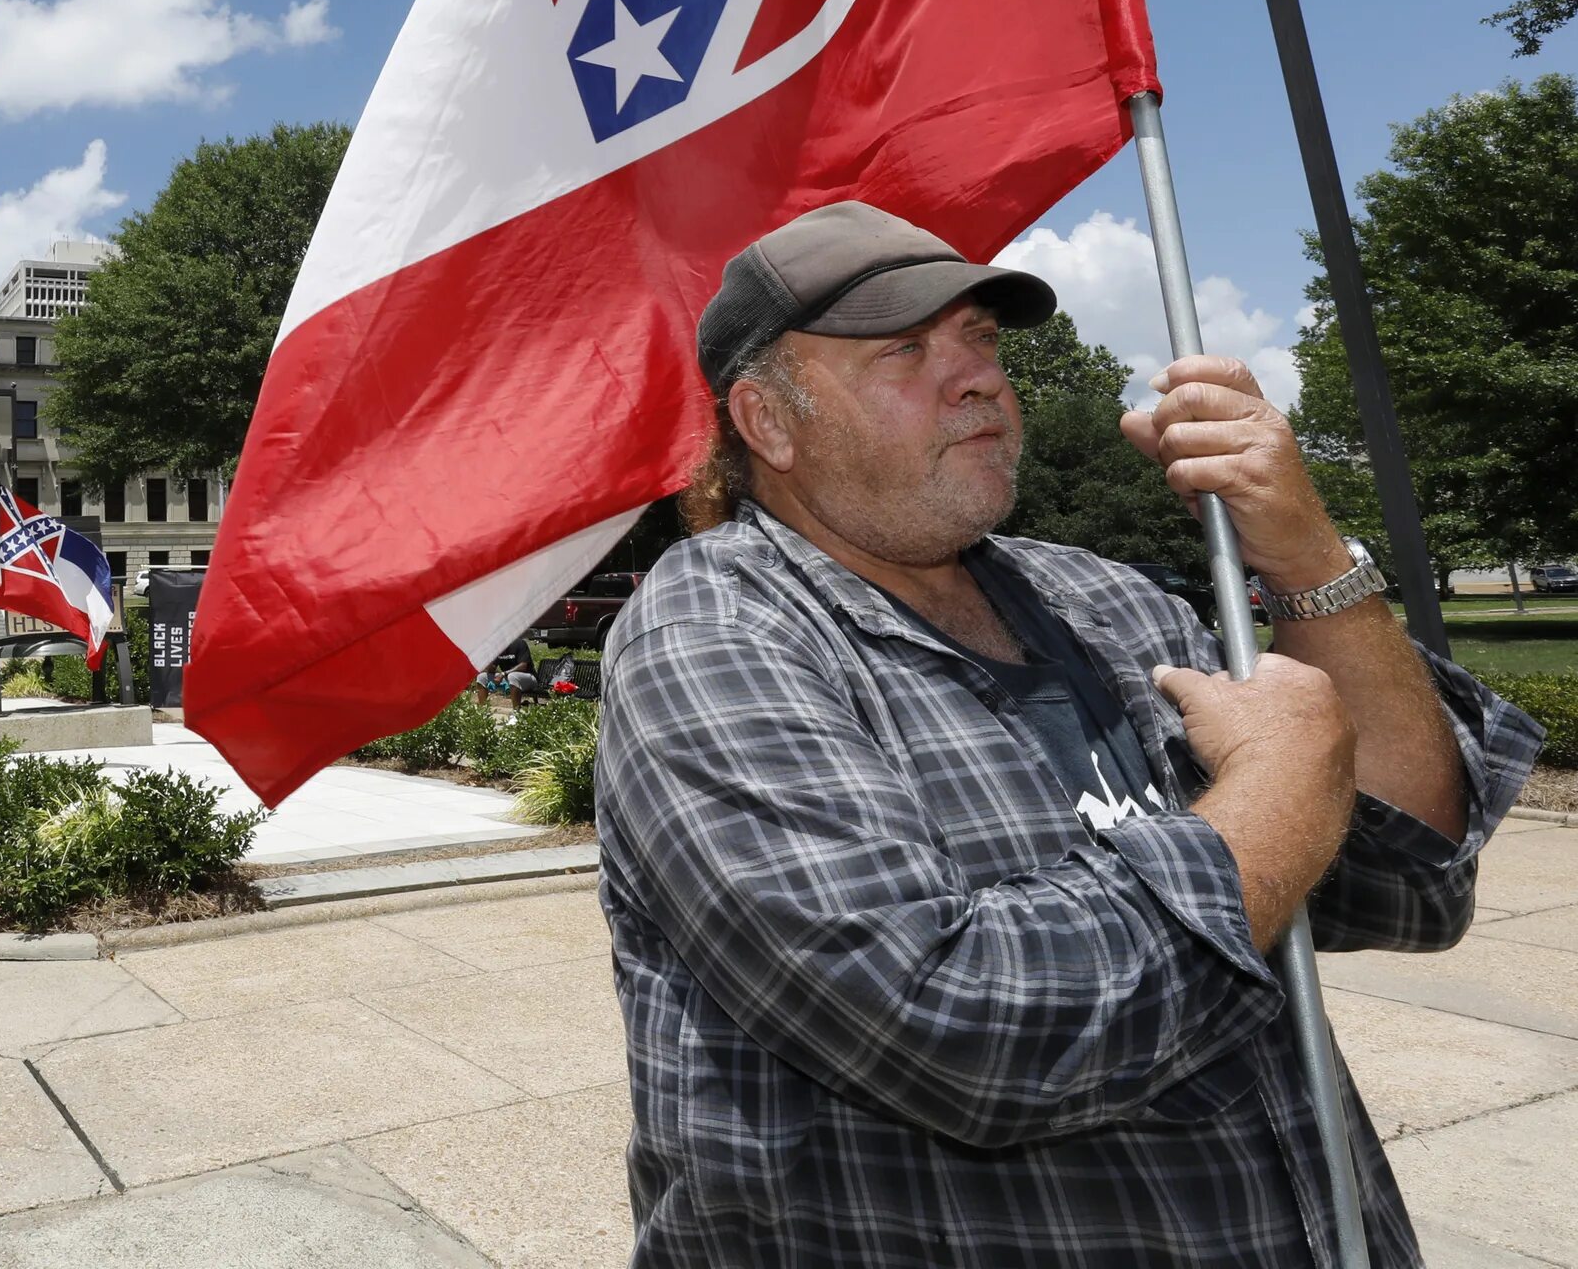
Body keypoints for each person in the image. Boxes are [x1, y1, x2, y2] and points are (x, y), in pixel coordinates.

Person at [596, 200, 1539, 1266]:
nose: (978, 378)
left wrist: (1314, 565)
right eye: (907, 349)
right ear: (768, 420)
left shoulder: (1107, 598)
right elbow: (962, 1033)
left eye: (981, 339)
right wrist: (1276, 782)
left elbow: (1408, 881)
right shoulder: (714, 631)